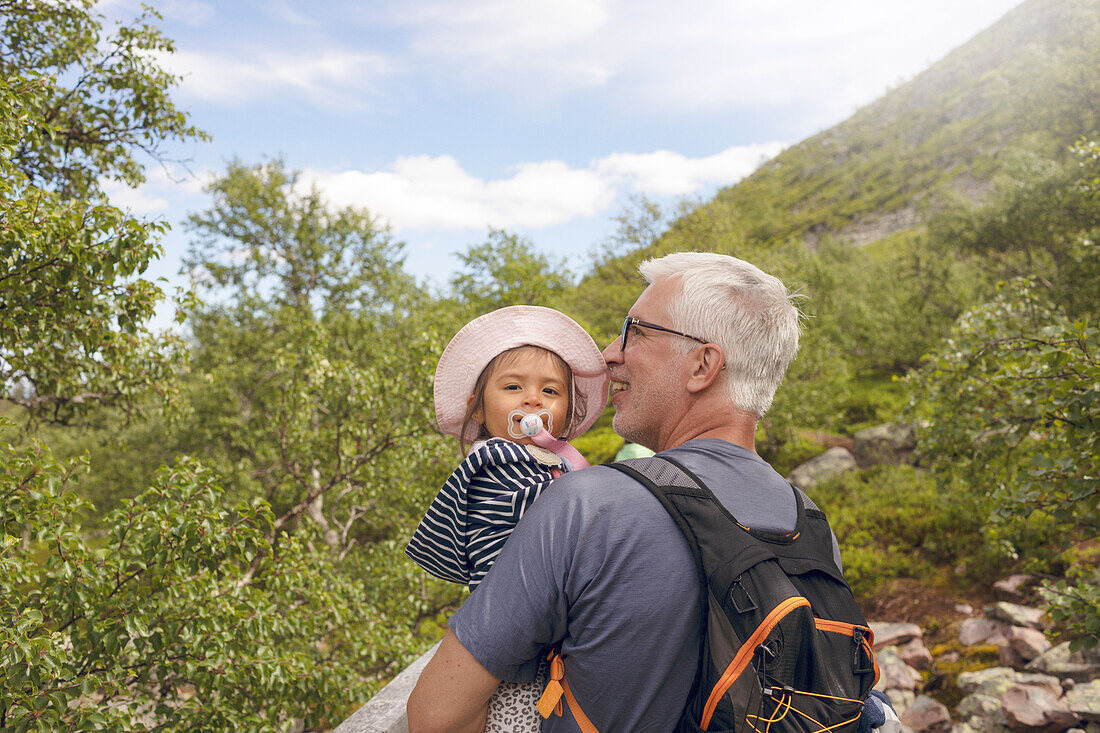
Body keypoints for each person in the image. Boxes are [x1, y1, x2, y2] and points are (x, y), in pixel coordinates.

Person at [407, 252, 843, 732]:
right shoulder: (810, 523)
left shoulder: (585, 506)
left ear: (702, 365)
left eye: (635, 331)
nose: (609, 352)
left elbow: (436, 718)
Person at [405, 305, 610, 732]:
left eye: (551, 392)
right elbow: (542, 514)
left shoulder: (547, 459)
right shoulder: (496, 457)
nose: (533, 399)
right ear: (477, 410)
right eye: (514, 386)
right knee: (517, 715)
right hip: (509, 624)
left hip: (533, 620)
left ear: (567, 411)